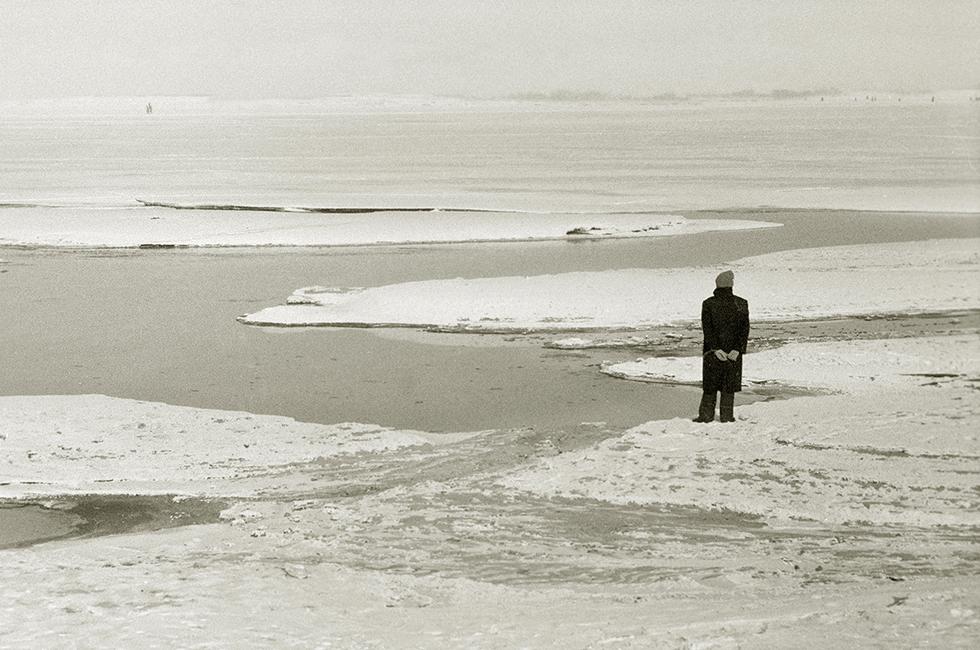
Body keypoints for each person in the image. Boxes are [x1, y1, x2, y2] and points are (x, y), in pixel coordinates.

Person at [693, 270, 749, 423]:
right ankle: (726, 417)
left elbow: (708, 330)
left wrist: (716, 349)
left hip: (713, 352)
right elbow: (744, 330)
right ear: (731, 285)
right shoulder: (741, 303)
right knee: (728, 387)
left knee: (710, 387)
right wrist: (737, 349)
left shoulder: (708, 303)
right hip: (733, 353)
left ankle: (706, 416)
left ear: (717, 284)